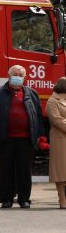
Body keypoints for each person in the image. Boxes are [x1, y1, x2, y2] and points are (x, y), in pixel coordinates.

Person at [0, 65, 43, 209]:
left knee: (24, 170)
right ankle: (7, 199)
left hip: (26, 139)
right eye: (15, 74)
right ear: (9, 76)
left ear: (25, 77)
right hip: (5, 138)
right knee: (6, 170)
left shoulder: (32, 94)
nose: (18, 76)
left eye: (20, 74)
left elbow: (38, 116)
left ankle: (24, 199)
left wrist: (39, 135)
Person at [46, 77, 66, 208]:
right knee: (60, 171)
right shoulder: (52, 101)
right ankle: (62, 200)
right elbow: (56, 119)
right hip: (60, 139)